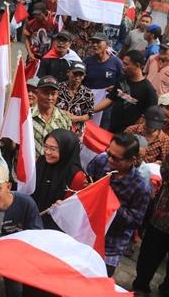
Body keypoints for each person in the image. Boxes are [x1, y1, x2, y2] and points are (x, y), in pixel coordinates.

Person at [0, 165, 43, 297]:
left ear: (8, 186)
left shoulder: (26, 203)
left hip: (17, 258)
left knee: (16, 290)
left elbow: (37, 238)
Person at [87, 133, 151, 276]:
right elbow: (87, 179)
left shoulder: (140, 187)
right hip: (86, 230)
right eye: (108, 153)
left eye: (116, 158)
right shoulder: (100, 161)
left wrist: (111, 203)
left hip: (110, 245)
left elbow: (135, 221)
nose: (109, 159)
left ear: (132, 160)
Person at [132, 151, 169, 296]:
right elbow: (165, 171)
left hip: (161, 217)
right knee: (148, 257)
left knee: (149, 256)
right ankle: (141, 287)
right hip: (161, 218)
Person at [94, 50, 158, 132]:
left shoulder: (148, 90)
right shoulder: (122, 79)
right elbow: (110, 99)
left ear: (137, 65)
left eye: (126, 64)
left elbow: (149, 117)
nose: (123, 67)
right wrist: (91, 111)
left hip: (129, 135)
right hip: (112, 126)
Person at [33, 129, 88, 222]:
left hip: (56, 225)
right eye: (45, 147)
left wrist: (63, 207)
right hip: (34, 217)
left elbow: (74, 209)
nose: (47, 152)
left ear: (66, 150)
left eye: (53, 149)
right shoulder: (40, 162)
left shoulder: (77, 176)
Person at [32, 76, 72, 156]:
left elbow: (66, 145)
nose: (50, 98)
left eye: (53, 94)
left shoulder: (64, 118)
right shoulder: (26, 116)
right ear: (37, 93)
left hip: (54, 166)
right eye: (45, 93)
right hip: (29, 165)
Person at [56, 62, 94, 135]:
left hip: (76, 130)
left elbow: (90, 114)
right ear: (68, 73)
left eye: (81, 75)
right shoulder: (58, 88)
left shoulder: (88, 93)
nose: (77, 78)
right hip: (57, 125)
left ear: (84, 76)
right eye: (75, 74)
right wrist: (62, 113)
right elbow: (50, 105)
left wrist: (75, 118)